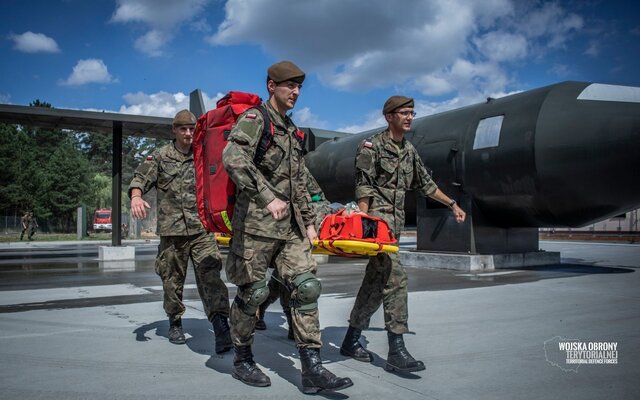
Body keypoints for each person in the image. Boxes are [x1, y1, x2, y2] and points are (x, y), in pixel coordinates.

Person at [222, 61, 353, 394]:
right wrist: (267, 197)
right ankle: (242, 358)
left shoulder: (291, 132)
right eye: (289, 86)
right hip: (255, 227)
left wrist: (312, 221)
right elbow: (232, 156)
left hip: (291, 230)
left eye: (299, 87)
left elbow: (301, 183)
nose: (295, 92)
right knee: (253, 293)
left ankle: (312, 370)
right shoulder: (255, 119)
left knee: (307, 287)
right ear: (271, 86)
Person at [339, 95, 466, 373]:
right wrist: (363, 219)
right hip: (377, 226)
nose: (409, 117)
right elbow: (363, 185)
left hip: (393, 229)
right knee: (396, 279)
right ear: (389, 117)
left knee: (374, 285)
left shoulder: (409, 151)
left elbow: (426, 185)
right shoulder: (371, 146)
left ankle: (350, 340)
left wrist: (452, 203)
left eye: (412, 113)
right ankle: (396, 349)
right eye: (404, 113)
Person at [128, 109, 232, 354]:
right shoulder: (161, 156)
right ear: (174, 130)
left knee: (212, 279)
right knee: (172, 280)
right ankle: (175, 322)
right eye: (183, 129)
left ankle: (221, 327)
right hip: (172, 233)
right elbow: (139, 178)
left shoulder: (203, 156)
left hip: (202, 230)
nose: (188, 133)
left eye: (191, 129)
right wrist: (136, 197)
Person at [255, 167, 331, 338]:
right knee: (284, 279)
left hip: (296, 232)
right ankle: (283, 320)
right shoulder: (259, 166)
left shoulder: (298, 168)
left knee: (290, 279)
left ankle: (289, 323)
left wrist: (311, 223)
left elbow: (319, 199)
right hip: (269, 229)